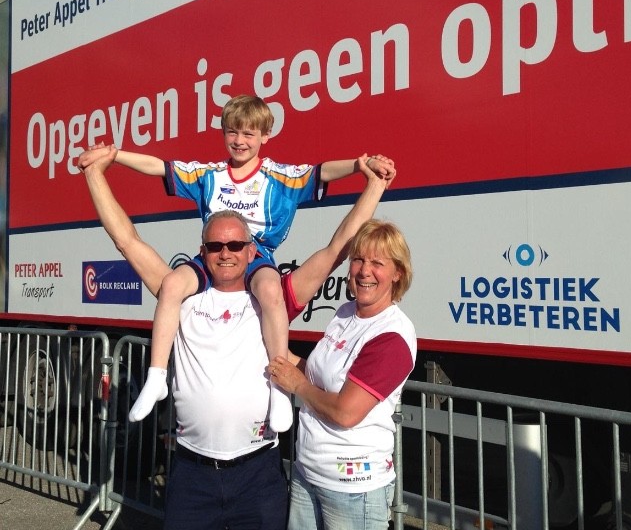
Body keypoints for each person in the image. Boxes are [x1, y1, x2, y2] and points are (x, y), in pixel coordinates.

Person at [80, 145, 393, 530]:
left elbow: (337, 249)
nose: (225, 254)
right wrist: (94, 174)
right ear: (202, 252)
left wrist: (374, 186)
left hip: (257, 474)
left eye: (234, 246)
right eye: (215, 247)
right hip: (192, 474)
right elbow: (127, 240)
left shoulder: (275, 296)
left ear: (251, 250)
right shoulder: (184, 295)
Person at [78, 94, 395, 432]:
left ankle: (278, 388)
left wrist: (364, 171)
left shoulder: (279, 182)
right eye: (232, 132)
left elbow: (333, 230)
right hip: (192, 450)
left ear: (265, 136)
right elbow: (143, 205)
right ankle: (157, 377)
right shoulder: (191, 294)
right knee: (171, 284)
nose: (240, 141)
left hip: (257, 445)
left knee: (270, 290)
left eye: (248, 134)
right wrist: (110, 158)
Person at [269, 219, 416, 530]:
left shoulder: (392, 335)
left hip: (353, 487)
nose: (364, 271)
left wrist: (297, 385)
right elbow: (318, 375)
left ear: (397, 273)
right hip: (309, 472)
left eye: (377, 263)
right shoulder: (346, 313)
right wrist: (278, 352)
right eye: (359, 259)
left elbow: (347, 412)